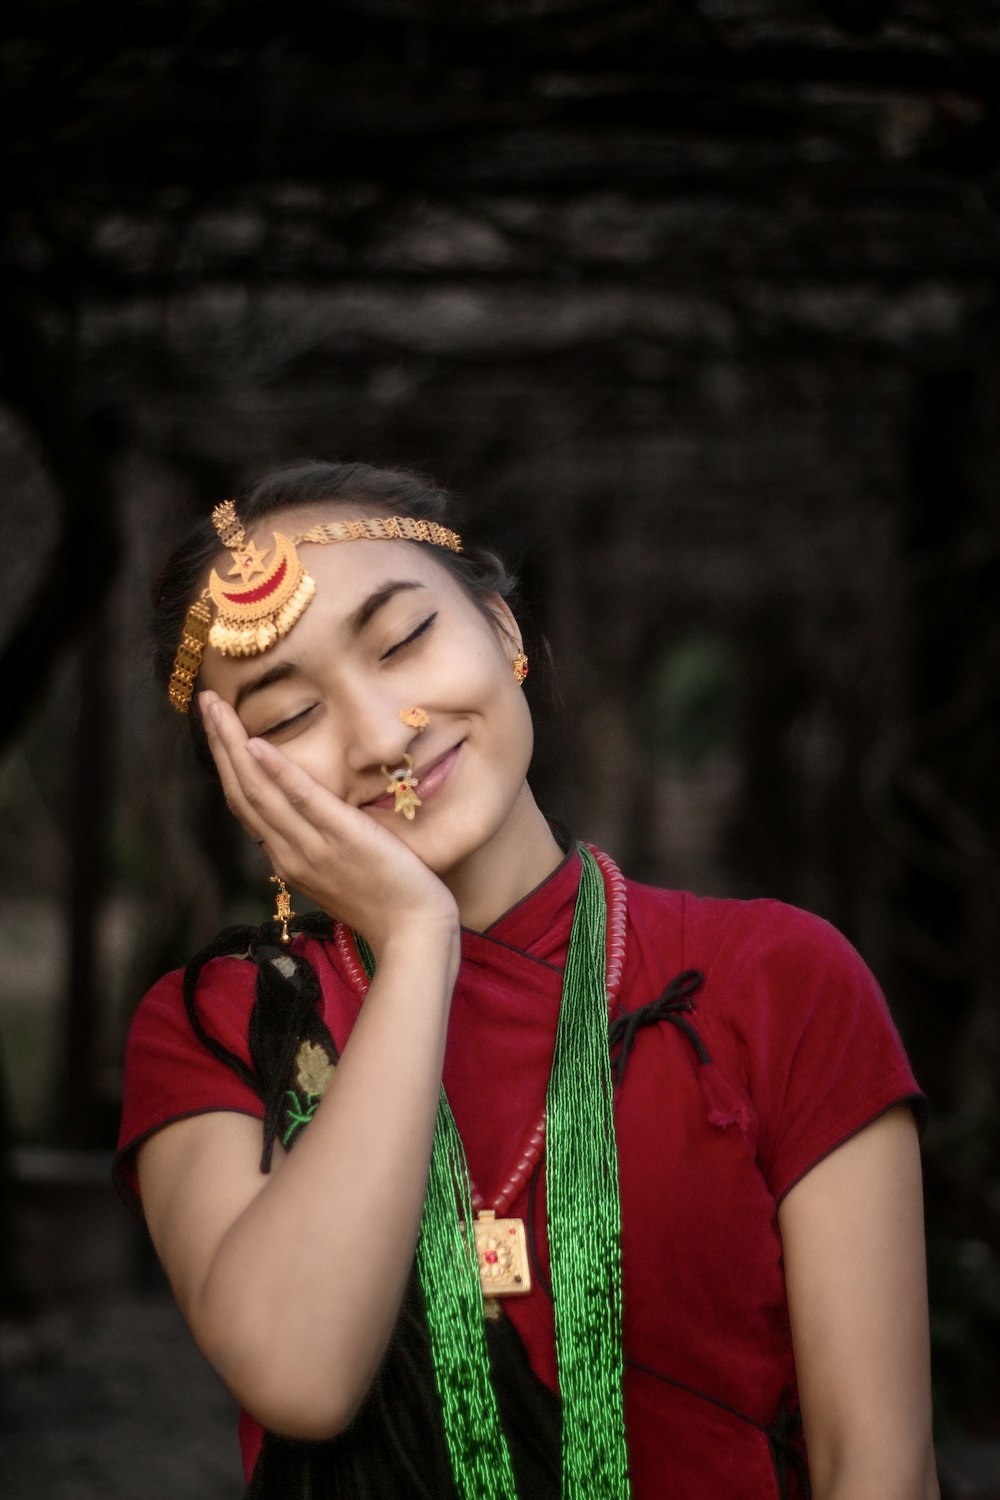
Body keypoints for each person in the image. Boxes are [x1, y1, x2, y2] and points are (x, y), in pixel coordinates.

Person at [114, 459, 939, 1500]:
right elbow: (300, 1376)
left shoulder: (780, 980)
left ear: (504, 635)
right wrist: (416, 938)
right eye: (286, 720)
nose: (380, 740)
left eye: (403, 640)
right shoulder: (218, 1025)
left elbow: (879, 1465)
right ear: (243, 790)